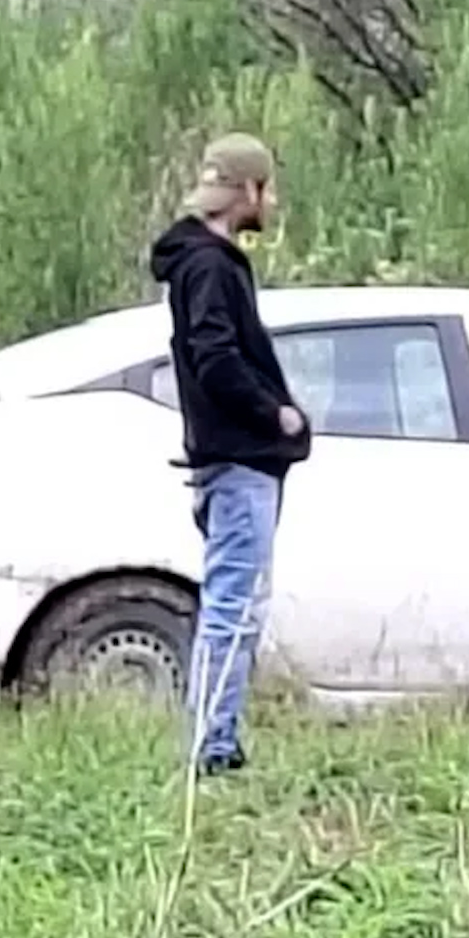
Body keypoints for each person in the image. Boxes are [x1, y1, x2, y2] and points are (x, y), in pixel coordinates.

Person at [148, 132, 311, 778]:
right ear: (247, 190)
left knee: (235, 598)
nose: (270, 202)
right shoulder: (212, 267)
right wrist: (274, 410)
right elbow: (215, 356)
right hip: (240, 454)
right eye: (267, 189)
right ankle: (211, 745)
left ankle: (218, 736)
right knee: (234, 604)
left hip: (230, 455)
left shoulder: (198, 265)